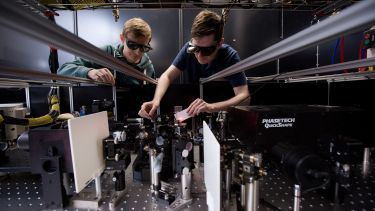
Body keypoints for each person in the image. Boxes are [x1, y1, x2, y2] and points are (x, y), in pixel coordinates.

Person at [138, 10, 249, 120]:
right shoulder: (188, 49)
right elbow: (167, 76)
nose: (199, 56)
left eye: (206, 50)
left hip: (223, 116)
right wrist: (155, 101)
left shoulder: (230, 56)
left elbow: (244, 97)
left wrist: (211, 107)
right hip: (196, 114)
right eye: (195, 49)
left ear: (219, 43)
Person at [58, 17, 155, 85]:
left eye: (143, 47)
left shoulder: (148, 67)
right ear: (122, 38)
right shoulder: (106, 53)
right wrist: (90, 72)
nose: (138, 52)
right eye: (133, 45)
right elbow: (63, 70)